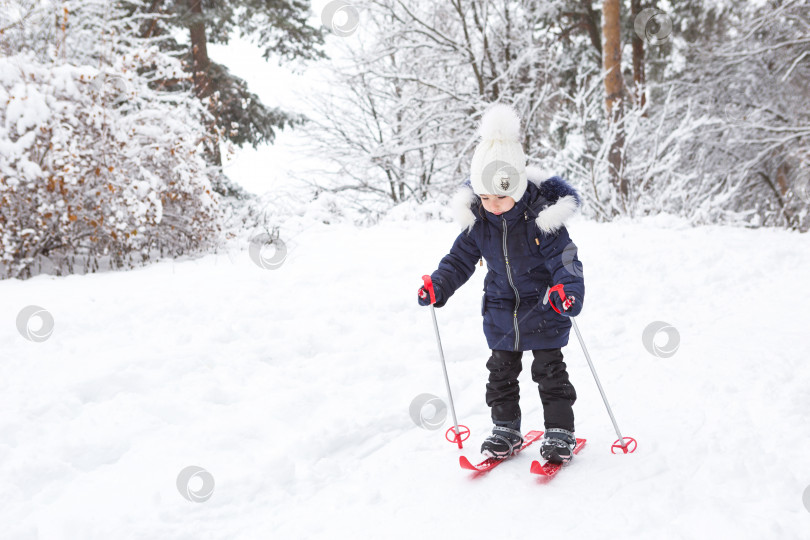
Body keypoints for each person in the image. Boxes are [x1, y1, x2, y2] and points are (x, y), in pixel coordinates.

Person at [417, 103, 585, 465]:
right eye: (486, 197)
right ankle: (505, 428)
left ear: (520, 186)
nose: (492, 205)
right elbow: (459, 260)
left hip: (544, 307)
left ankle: (559, 431)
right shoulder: (479, 222)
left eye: (501, 196)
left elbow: (566, 261)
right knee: (500, 374)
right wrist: (439, 286)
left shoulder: (543, 220)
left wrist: (567, 291)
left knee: (550, 372)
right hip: (500, 310)